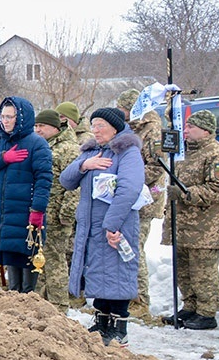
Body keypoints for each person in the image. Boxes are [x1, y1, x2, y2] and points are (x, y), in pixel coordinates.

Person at [60, 108, 144, 345]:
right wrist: (84, 165)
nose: (95, 130)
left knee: (117, 272)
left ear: (115, 128)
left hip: (117, 225)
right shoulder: (92, 151)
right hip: (91, 227)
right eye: (93, 125)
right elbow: (66, 180)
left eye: (100, 126)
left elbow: (129, 189)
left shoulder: (128, 152)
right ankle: (101, 320)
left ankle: (119, 325)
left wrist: (112, 224)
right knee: (98, 271)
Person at [161, 110, 219, 330]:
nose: (186, 131)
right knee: (183, 270)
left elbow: (217, 190)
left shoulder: (217, 156)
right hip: (183, 224)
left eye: (191, 127)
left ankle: (206, 313)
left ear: (205, 130)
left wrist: (184, 194)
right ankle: (189, 306)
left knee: (202, 271)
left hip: (206, 227)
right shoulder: (185, 154)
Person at [0, 97, 53, 293]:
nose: (5, 121)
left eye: (10, 117)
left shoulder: (37, 144)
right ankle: (14, 302)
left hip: (25, 214)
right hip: (4, 215)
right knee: (11, 259)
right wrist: (3, 158)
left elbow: (44, 180)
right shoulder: (0, 141)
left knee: (28, 260)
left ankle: (28, 303)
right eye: (2, 116)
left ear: (21, 117)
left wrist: (38, 209)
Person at [116, 88, 166, 321]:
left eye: (122, 108)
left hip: (144, 199)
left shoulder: (151, 130)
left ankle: (140, 301)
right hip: (128, 197)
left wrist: (127, 179)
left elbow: (157, 167)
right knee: (124, 247)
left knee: (134, 248)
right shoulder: (132, 129)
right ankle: (125, 296)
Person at [32, 110, 80, 312]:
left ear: (54, 127)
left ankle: (59, 305)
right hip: (42, 213)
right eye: (36, 126)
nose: (38, 130)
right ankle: (41, 302)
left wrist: (67, 213)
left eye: (41, 126)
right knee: (40, 260)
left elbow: (75, 184)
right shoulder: (44, 146)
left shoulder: (68, 149)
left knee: (55, 260)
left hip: (57, 215)